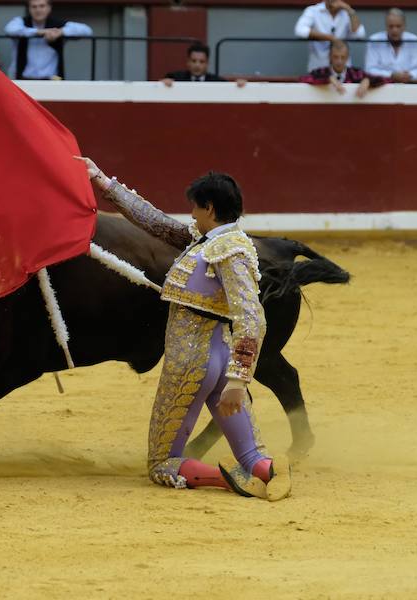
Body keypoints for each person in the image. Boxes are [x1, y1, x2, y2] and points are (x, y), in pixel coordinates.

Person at [73, 155, 292, 502]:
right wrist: (103, 182)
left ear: (209, 207)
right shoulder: (215, 241)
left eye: (195, 208)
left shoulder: (226, 252)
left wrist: (240, 378)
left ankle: (229, 480)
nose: (190, 215)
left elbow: (252, 317)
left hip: (192, 363)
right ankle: (268, 472)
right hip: (217, 355)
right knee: (252, 454)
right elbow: (155, 223)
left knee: (163, 462)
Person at [5, 0, 92, 80]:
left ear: (49, 8)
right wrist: (39, 32)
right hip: (23, 79)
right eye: (34, 7)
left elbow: (87, 30)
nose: (38, 10)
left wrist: (61, 32)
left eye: (42, 6)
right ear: (29, 9)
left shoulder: (56, 24)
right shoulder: (21, 21)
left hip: (51, 80)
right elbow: (10, 29)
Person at [294, 0, 366, 72]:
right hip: (319, 67)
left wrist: (349, 9)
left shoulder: (347, 12)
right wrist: (330, 38)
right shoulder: (313, 10)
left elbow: (359, 34)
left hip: (342, 69)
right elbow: (300, 30)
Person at [301, 40, 385, 98]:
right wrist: (327, 78)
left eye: (343, 57)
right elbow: (305, 79)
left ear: (347, 57)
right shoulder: (321, 72)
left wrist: (368, 80)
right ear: (329, 56)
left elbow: (384, 80)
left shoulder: (356, 74)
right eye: (335, 57)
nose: (339, 61)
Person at [364, 8, 417, 83]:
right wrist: (391, 75)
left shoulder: (414, 40)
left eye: (398, 26)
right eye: (391, 26)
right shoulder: (374, 40)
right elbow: (369, 70)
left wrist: (410, 75)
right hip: (381, 86)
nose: (394, 30)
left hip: (407, 85)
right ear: (386, 26)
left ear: (404, 26)